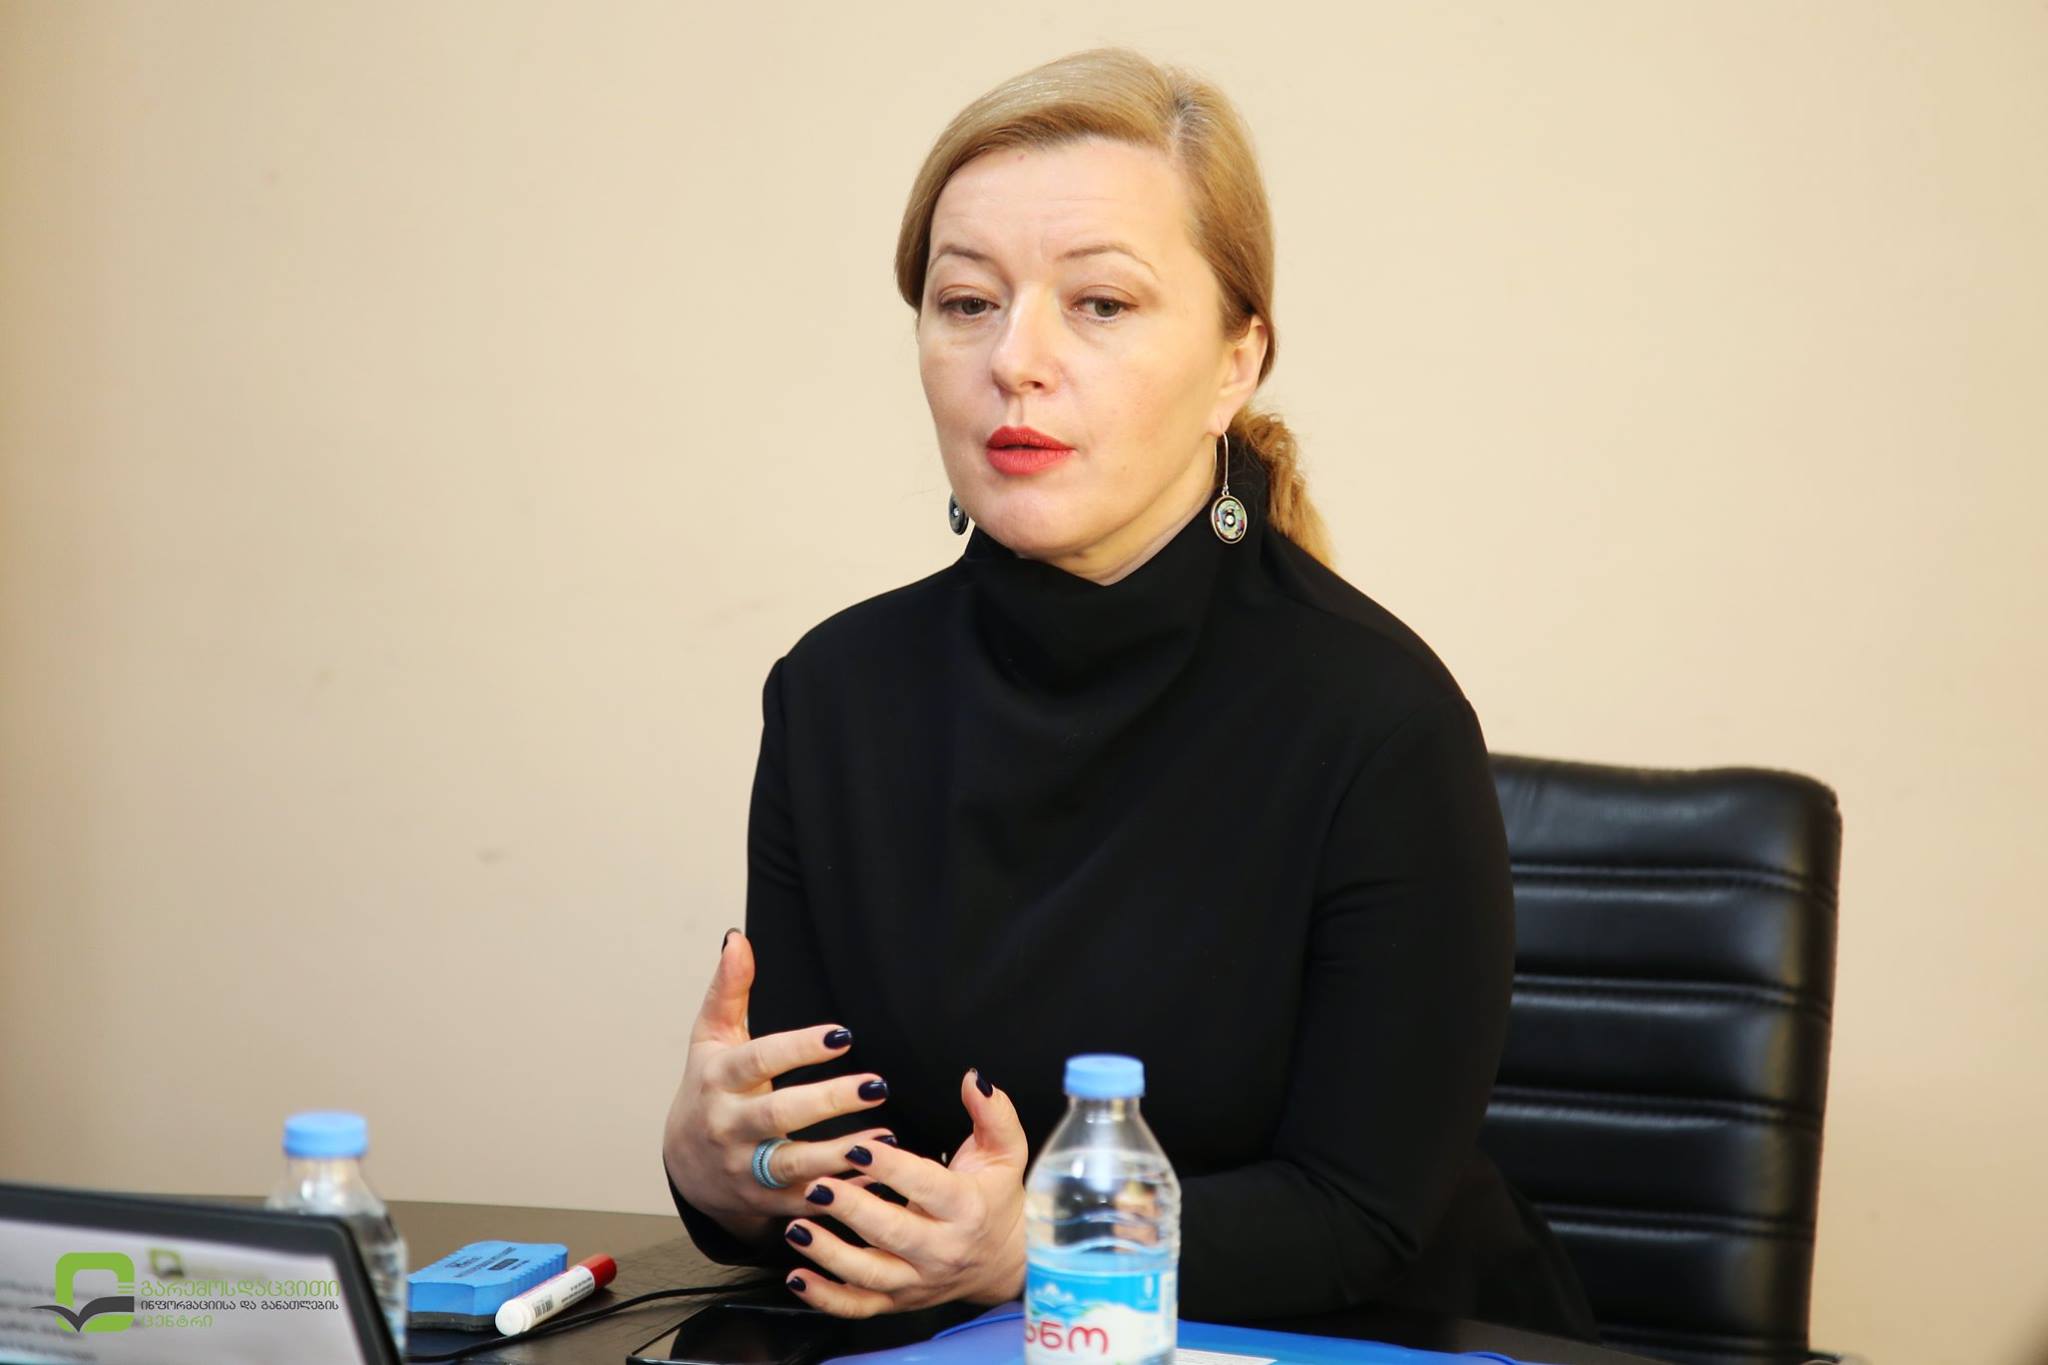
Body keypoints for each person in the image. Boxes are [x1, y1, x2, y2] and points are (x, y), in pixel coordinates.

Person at [659, 45, 1600, 1344]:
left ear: (1235, 363)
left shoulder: (1380, 719)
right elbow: (833, 1162)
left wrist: (1035, 1244)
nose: (1017, 359)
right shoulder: (833, 695)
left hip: (1334, 1337)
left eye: (1100, 304)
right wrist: (723, 1174)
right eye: (967, 301)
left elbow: (1362, 1210)